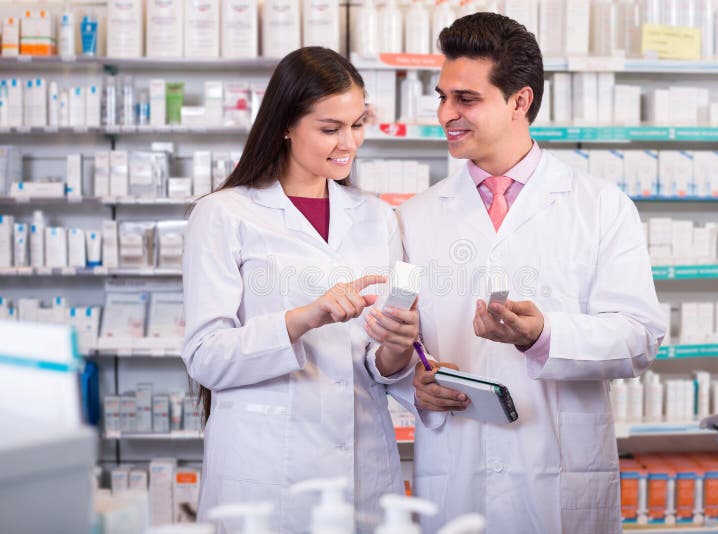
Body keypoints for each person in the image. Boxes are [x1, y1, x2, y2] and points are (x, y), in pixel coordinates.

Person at [390, 13, 666, 533]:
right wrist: (413, 383)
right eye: (442, 96)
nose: (446, 112)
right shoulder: (413, 216)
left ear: (520, 101)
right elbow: (400, 347)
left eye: (465, 99)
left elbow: (641, 337)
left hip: (560, 474)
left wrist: (543, 334)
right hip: (457, 473)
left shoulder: (602, 208)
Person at [181, 47, 418, 533]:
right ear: (286, 125)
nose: (348, 143)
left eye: (358, 124)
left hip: (360, 461)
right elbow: (206, 356)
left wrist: (396, 348)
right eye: (330, 129)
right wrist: (305, 317)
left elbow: (379, 366)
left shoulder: (376, 216)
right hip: (266, 468)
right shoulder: (224, 214)